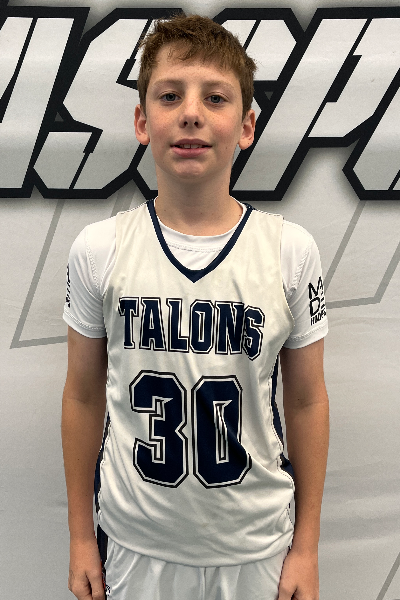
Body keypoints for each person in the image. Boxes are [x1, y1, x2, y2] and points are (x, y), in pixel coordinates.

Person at [61, 13, 329, 600]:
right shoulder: (100, 249)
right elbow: (81, 395)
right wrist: (81, 535)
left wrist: (307, 546)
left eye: (215, 97)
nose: (191, 113)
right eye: (169, 95)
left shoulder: (289, 250)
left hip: (256, 544)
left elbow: (307, 400)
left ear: (247, 125)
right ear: (141, 120)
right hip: (135, 543)